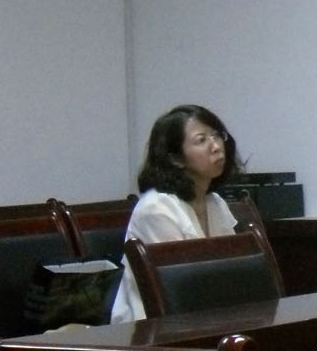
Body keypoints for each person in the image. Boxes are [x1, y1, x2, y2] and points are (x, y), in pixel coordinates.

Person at [107, 104, 252, 321]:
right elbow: (180, 285)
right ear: (176, 158)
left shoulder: (215, 203)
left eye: (217, 135)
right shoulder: (156, 208)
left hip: (208, 314)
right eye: (201, 140)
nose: (216, 146)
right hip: (153, 325)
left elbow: (233, 270)